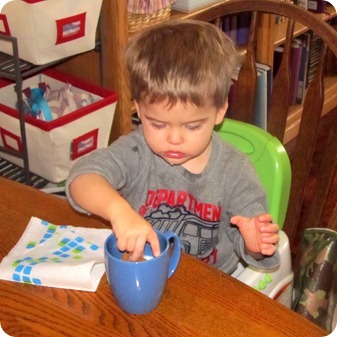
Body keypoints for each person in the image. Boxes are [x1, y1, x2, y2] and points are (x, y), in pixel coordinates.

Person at [66, 19, 280, 274]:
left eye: (192, 127)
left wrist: (255, 244)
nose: (174, 139)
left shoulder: (235, 170)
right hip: (145, 270)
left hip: (211, 284)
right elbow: (82, 179)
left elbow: (253, 245)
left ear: (220, 110)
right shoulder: (136, 152)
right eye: (157, 124)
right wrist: (118, 211)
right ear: (138, 107)